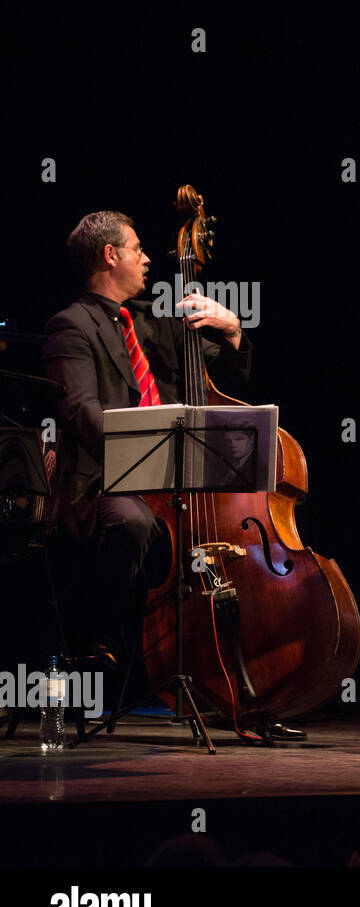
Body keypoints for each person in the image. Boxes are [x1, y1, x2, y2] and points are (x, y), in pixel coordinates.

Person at [42, 210, 251, 665]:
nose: (148, 259)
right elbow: (83, 413)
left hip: (178, 486)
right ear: (110, 255)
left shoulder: (158, 323)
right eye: (138, 249)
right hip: (107, 483)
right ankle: (100, 640)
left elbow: (224, 385)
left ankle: (238, 662)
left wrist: (232, 328)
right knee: (133, 522)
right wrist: (150, 460)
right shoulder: (71, 327)